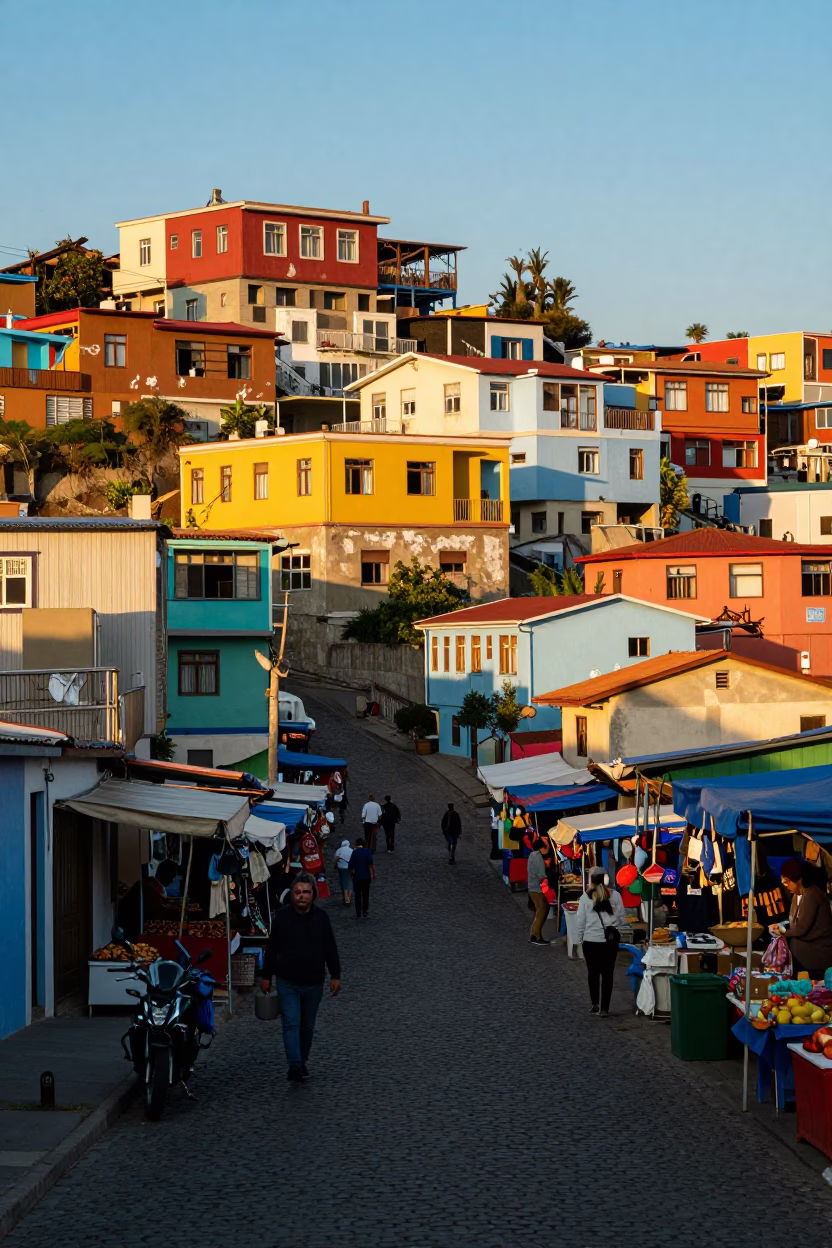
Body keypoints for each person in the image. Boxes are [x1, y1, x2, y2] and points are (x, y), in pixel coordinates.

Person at [260, 873, 341, 1083]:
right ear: (292, 895)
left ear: (313, 894)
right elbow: (272, 949)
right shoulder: (281, 918)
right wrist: (266, 975)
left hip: (314, 982)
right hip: (287, 981)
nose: (301, 896)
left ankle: (302, 1060)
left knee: (307, 1026)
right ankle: (294, 1064)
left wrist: (336, 975)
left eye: (306, 892)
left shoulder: (322, 918)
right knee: (291, 1023)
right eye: (298, 892)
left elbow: (330, 947)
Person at [575, 866, 626, 1017]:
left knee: (593, 974)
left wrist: (578, 941)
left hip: (590, 941)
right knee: (608, 974)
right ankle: (605, 1008)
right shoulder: (615, 895)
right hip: (609, 942)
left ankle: (595, 1004)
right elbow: (622, 919)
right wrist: (612, 922)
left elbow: (580, 922)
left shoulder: (585, 897)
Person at [772, 859, 832, 978]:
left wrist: (784, 932)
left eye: (787, 882)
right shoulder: (797, 896)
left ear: (798, 880)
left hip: (817, 958)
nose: (786, 886)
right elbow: (794, 923)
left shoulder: (812, 894)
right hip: (804, 957)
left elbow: (801, 929)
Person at [526, 843, 551, 946]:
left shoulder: (532, 855)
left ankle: (536, 935)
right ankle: (535, 936)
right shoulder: (539, 858)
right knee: (541, 911)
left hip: (532, 887)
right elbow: (542, 874)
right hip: (537, 888)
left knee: (540, 911)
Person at [349, 837, 375, 918]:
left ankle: (358, 912)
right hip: (366, 876)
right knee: (365, 894)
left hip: (357, 877)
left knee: (357, 895)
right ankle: (365, 911)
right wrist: (373, 875)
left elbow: (351, 866)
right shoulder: (367, 852)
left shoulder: (354, 853)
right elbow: (371, 864)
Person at [333, 838, 353, 906]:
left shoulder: (339, 850)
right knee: (350, 882)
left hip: (341, 868)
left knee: (344, 883)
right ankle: (349, 897)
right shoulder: (351, 850)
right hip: (350, 868)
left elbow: (335, 860)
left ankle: (346, 899)